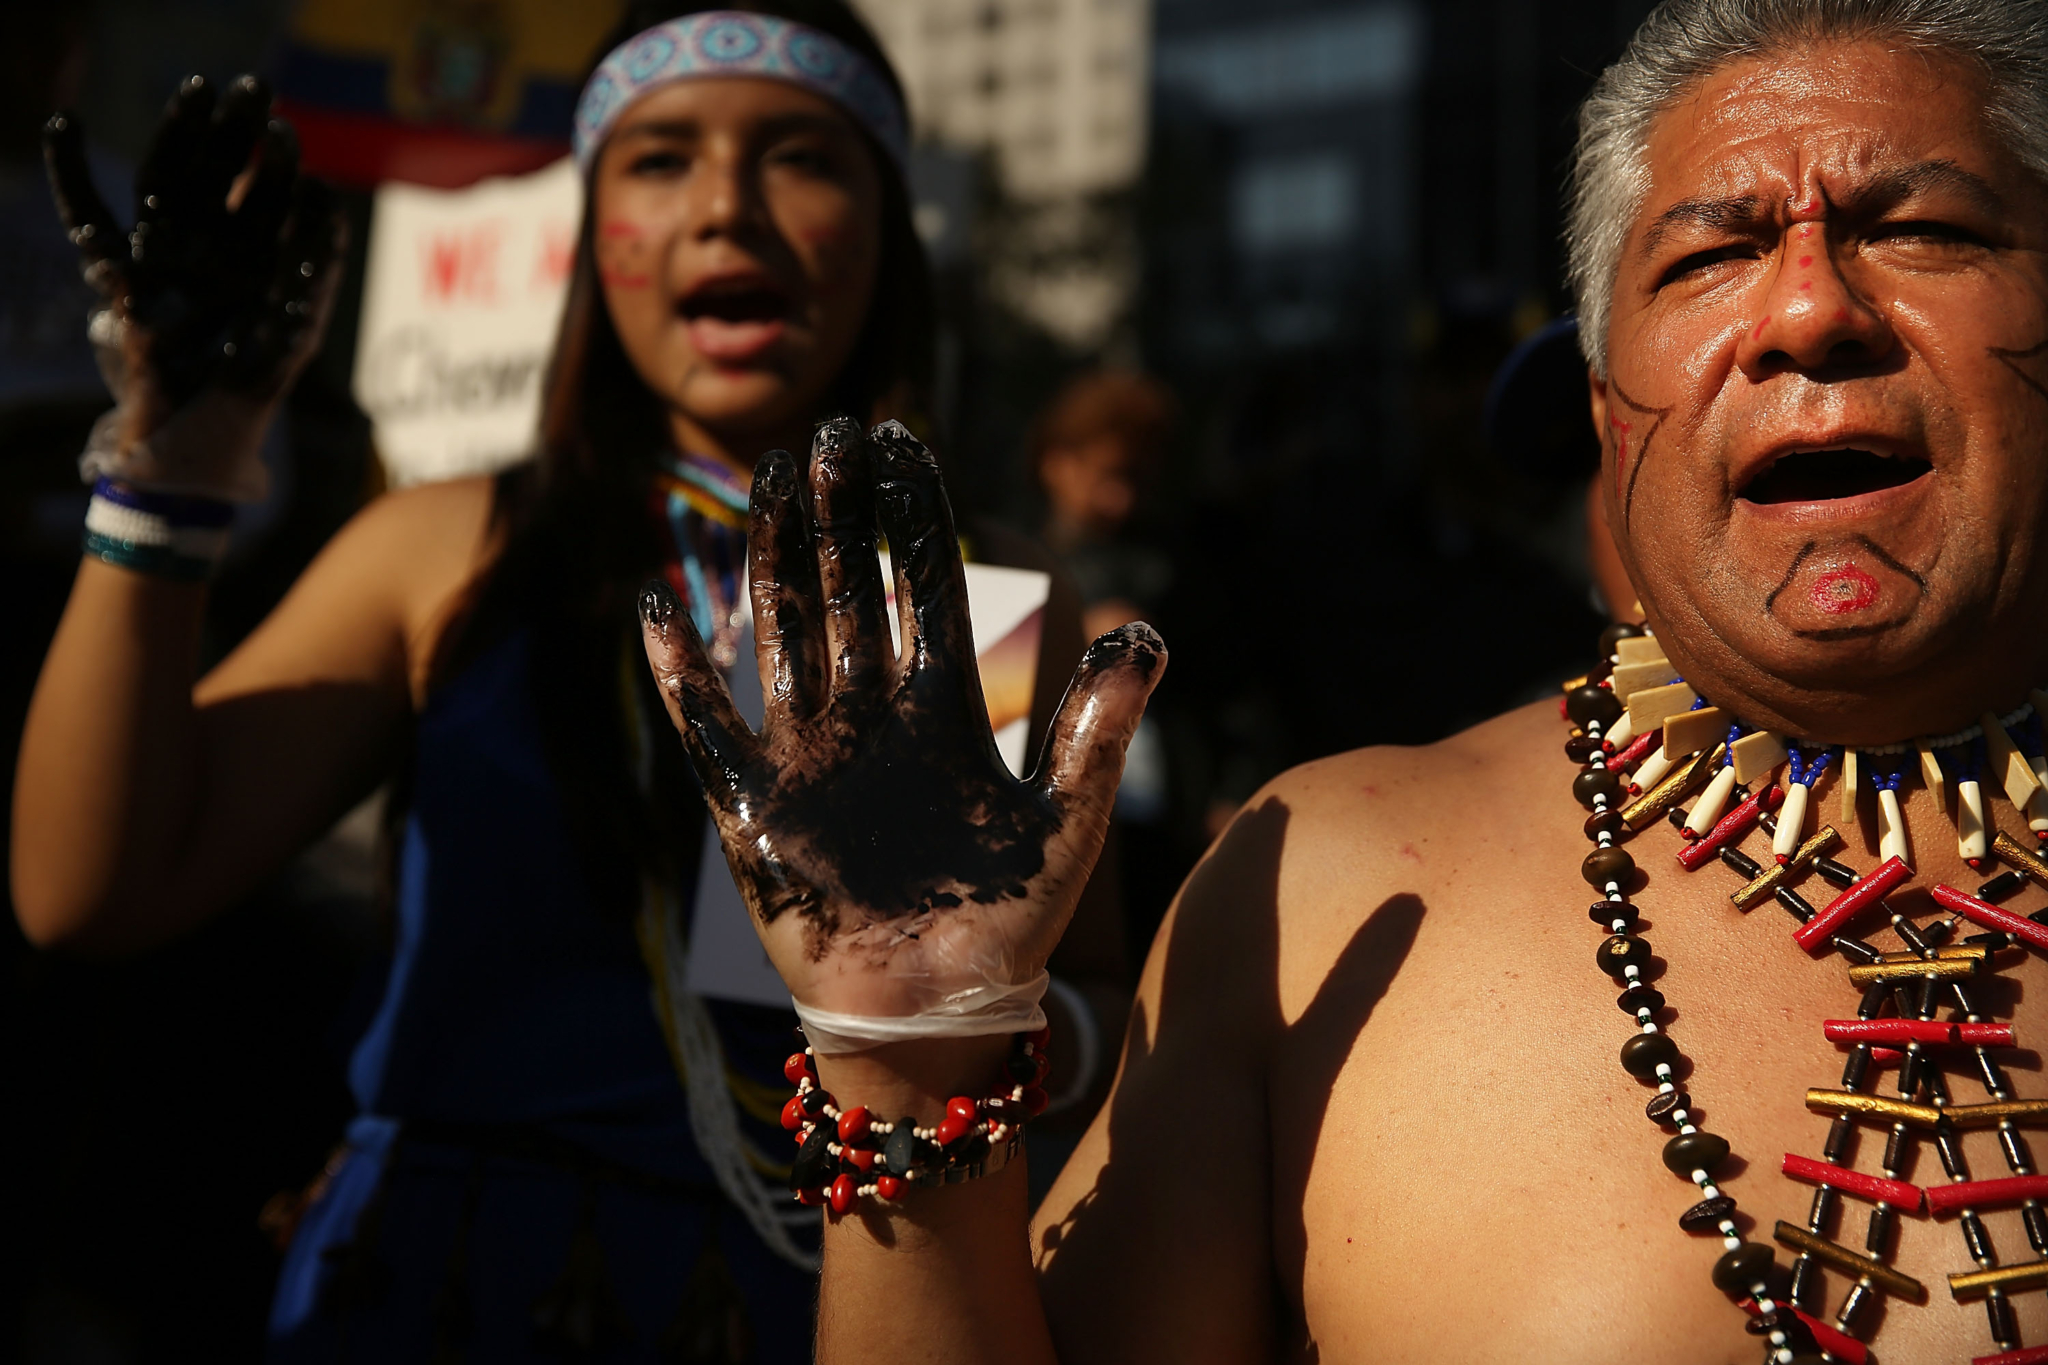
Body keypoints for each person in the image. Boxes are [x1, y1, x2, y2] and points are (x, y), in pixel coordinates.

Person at [630, 1, 2048, 1361]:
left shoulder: (1058, 601)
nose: (1808, 308)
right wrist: (906, 1057)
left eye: (1921, 228)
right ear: (1612, 415)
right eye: (1705, 258)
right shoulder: (1315, 882)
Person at [10, 3, 1118, 1360]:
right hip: (440, 1291)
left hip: (819, 1291)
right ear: (595, 239)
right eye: (658, 160)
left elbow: (1101, 1020)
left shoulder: (983, 602)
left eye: (799, 156)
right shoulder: (444, 545)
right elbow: (89, 886)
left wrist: (984, 1021)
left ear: (888, 229)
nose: (726, 205)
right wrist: (168, 481)